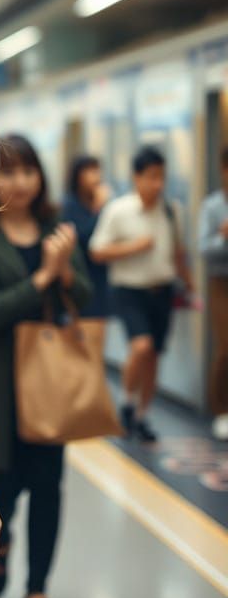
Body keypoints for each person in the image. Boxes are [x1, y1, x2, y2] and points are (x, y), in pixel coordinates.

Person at [0, 134, 92, 598]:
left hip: (49, 384)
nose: (19, 182)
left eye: (27, 171)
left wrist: (64, 274)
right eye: (6, 171)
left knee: (49, 487)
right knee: (3, 484)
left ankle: (38, 592)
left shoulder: (55, 230)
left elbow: (85, 297)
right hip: (0, 386)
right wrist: (42, 279)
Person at [89, 145, 192, 443]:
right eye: (151, 177)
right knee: (141, 347)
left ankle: (143, 416)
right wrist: (134, 246)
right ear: (136, 177)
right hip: (129, 291)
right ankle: (126, 404)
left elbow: (178, 253)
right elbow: (97, 251)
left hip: (163, 292)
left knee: (154, 357)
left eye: (162, 177)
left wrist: (190, 285)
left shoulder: (172, 211)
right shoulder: (119, 211)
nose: (157, 184)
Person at [198, 145, 228, 441]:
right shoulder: (213, 207)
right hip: (222, 281)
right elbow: (203, 248)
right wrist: (223, 236)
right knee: (225, 346)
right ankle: (220, 409)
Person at [62, 155, 111, 318]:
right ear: (78, 176)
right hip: (80, 275)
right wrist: (98, 208)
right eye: (90, 171)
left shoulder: (101, 204)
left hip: (101, 277)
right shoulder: (69, 205)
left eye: (97, 170)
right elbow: (83, 238)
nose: (96, 176)